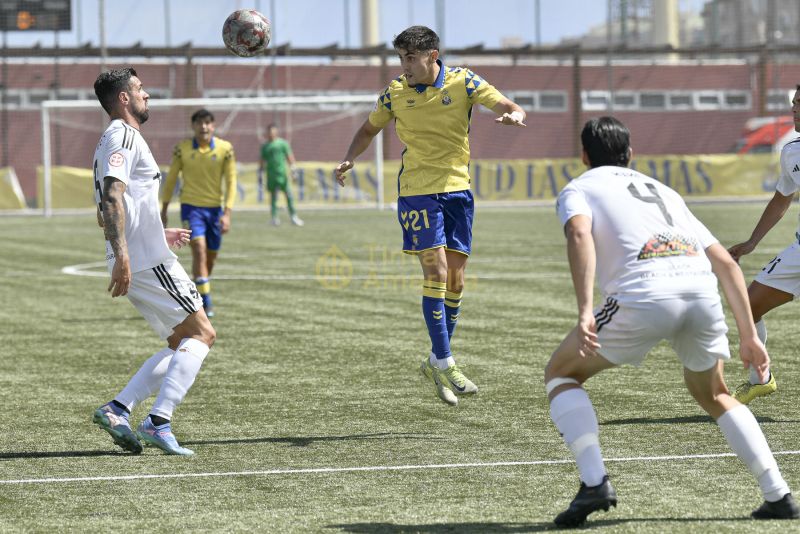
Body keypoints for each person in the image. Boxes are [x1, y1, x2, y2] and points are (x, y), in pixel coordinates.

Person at [546, 116, 798, 527]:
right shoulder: (663, 190)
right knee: (715, 393)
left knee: (561, 374)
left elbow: (578, 235)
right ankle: (779, 494)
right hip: (700, 294)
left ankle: (594, 483)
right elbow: (725, 264)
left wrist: (583, 310)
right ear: (631, 154)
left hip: (643, 295)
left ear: (584, 156)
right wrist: (749, 336)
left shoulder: (579, 188)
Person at [334, 25, 526, 406]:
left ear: (432, 56)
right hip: (417, 192)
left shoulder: (464, 82)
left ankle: (435, 359)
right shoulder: (395, 93)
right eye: (400, 58)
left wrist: (514, 115)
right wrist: (349, 157)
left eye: (410, 58)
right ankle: (448, 361)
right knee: (436, 272)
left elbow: (507, 105)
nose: (403, 65)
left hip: (458, 190)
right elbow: (368, 129)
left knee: (455, 281)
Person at [91, 68, 216, 456]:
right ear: (124, 99)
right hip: (145, 260)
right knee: (202, 335)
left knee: (180, 342)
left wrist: (155, 235)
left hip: (143, 254)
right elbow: (111, 199)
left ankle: (118, 409)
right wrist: (126, 254)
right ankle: (158, 420)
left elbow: (119, 204)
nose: (147, 95)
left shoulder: (113, 139)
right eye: (140, 89)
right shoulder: (123, 135)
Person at [727, 86, 800, 404]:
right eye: (794, 104)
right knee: (748, 305)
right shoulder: (791, 152)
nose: (794, 109)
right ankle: (760, 379)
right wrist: (752, 242)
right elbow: (782, 199)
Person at [161, 109, 237, 318]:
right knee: (200, 250)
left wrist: (227, 213)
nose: (203, 127)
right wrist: (164, 209)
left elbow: (231, 182)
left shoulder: (225, 149)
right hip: (191, 208)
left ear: (213, 126)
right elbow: (171, 180)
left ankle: (199, 287)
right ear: (193, 126)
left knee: (210, 257)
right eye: (199, 123)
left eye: (207, 123)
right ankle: (206, 303)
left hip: (215, 210)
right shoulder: (181, 149)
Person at [259, 124, 303, 227]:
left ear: (276, 132)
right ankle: (274, 218)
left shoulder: (283, 144)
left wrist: (293, 169)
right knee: (273, 196)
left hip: (282, 174)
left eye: (273, 131)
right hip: (271, 175)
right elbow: (261, 161)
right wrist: (260, 173)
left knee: (288, 194)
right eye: (269, 131)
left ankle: (293, 216)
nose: (271, 133)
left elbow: (289, 156)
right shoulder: (265, 146)